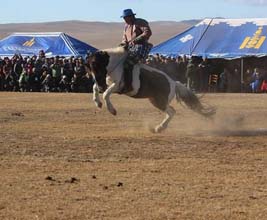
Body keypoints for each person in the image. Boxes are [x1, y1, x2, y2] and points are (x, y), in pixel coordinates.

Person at [120, 8, 152, 93]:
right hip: (130, 49)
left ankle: (129, 86)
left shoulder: (140, 22)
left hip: (141, 47)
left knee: (127, 64)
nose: (124, 19)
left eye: (125, 17)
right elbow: (124, 39)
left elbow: (147, 32)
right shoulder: (126, 26)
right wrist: (122, 44)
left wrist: (137, 39)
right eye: (123, 18)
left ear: (131, 17)